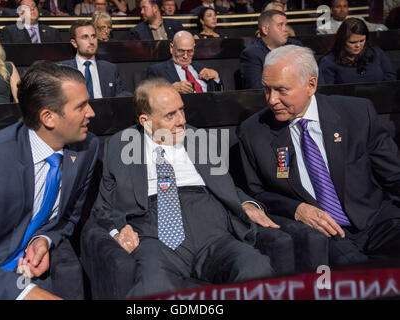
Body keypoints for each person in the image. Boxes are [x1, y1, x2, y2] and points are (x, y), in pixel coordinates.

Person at [88, 77, 275, 297]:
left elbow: (226, 185)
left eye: (182, 110)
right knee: (154, 287)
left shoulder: (199, 138)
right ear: (145, 121)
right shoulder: (120, 145)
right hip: (153, 233)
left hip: (212, 229)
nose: (181, 120)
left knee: (255, 268)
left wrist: (247, 202)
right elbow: (103, 206)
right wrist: (117, 232)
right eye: (170, 115)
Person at [238, 45, 400, 267]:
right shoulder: (254, 131)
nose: (271, 100)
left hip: (376, 220)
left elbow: (394, 174)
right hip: (322, 232)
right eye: (267, 89)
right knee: (359, 275)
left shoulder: (357, 113)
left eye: (281, 90)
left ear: (311, 85)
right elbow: (256, 193)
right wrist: (296, 209)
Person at [0, 60, 99, 300]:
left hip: (34, 271)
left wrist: (44, 239)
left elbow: (70, 216)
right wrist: (26, 294)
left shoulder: (87, 148)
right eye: (81, 106)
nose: (91, 112)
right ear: (48, 118)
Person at [58, 20, 130, 98]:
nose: (91, 41)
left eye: (93, 36)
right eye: (85, 37)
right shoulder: (63, 70)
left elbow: (124, 94)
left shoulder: (110, 69)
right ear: (74, 43)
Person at [319, 18, 396, 85]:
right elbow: (327, 92)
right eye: (352, 42)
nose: (358, 45)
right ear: (342, 41)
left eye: (362, 41)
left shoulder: (376, 53)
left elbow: (390, 78)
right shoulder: (329, 61)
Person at [239, 10, 302, 89]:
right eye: (280, 25)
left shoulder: (296, 47)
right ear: (265, 30)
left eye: (286, 25)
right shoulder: (252, 54)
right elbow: (257, 89)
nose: (286, 29)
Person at [147, 31, 223, 94]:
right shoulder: (157, 71)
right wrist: (171, 89)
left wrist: (217, 78)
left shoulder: (203, 68)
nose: (185, 56)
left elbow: (219, 97)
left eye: (190, 51)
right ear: (171, 48)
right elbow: (148, 96)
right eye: (181, 51)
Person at [316, 0, 387, 35]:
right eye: (338, 7)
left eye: (345, 6)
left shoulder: (358, 20)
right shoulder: (323, 29)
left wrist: (378, 33)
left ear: (348, 8)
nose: (342, 10)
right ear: (331, 10)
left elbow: (380, 27)